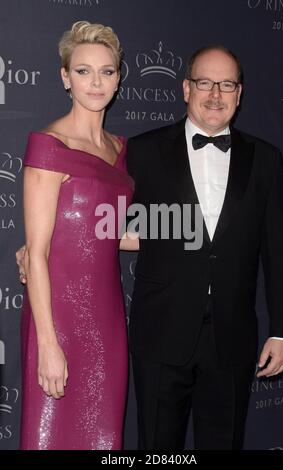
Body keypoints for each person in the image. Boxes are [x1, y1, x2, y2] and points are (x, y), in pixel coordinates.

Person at [126, 45, 283, 450]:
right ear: (186, 89)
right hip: (160, 333)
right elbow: (101, 219)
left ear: (240, 94)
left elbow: (280, 252)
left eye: (226, 84)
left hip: (233, 338)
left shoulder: (266, 160)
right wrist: (45, 246)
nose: (215, 95)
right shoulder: (141, 151)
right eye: (205, 82)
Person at [18, 20, 135, 450]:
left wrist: (203, 227)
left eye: (106, 71)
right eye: (83, 71)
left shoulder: (119, 150)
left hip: (107, 318)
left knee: (104, 438)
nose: (96, 82)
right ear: (65, 77)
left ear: (119, 78)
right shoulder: (48, 145)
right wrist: (48, 343)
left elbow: (110, 231)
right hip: (58, 316)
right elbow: (38, 251)